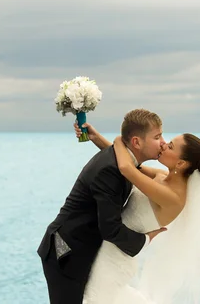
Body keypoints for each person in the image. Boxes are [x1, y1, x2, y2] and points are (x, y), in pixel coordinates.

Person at [75, 121, 200, 304]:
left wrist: (122, 139)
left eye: (170, 146)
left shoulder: (173, 197)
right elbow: (131, 162)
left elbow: (127, 168)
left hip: (114, 261)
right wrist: (96, 138)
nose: (163, 145)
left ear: (181, 164)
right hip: (113, 249)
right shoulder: (163, 177)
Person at [37, 109, 168, 304]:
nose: (164, 142)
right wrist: (145, 239)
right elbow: (109, 228)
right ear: (136, 142)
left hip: (77, 247)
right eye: (157, 137)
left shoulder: (123, 160)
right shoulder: (110, 170)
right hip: (64, 250)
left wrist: (96, 138)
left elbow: (123, 161)